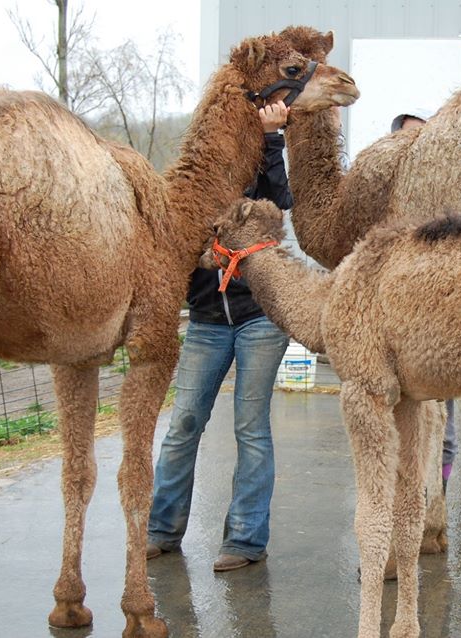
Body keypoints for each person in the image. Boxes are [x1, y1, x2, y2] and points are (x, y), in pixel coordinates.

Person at [147, 100, 293, 572]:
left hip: (259, 318)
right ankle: (161, 531)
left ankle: (246, 540)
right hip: (207, 320)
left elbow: (281, 203)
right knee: (183, 425)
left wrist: (272, 140)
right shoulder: (189, 188)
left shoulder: (255, 179)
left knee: (250, 428)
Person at [391, 109, 457, 492]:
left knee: (444, 421)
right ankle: (408, 500)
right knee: (404, 421)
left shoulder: (446, 199)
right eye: (410, 139)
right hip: (401, 325)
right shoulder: (389, 202)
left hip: (440, 322)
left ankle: (437, 503)